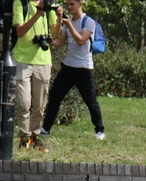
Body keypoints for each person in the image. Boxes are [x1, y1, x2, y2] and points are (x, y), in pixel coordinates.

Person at [40, 0, 105, 140]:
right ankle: (45, 128)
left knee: (91, 101)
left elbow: (81, 40)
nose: (69, 7)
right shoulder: (67, 22)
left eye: (72, 4)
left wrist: (69, 24)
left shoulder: (88, 22)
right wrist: (47, 40)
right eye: (67, 4)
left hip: (83, 68)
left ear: (80, 3)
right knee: (55, 97)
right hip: (68, 67)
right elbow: (59, 43)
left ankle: (100, 130)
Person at [13, 0, 62, 152]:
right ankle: (24, 136)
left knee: (40, 105)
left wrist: (59, 18)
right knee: (24, 102)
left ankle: (34, 136)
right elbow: (20, 32)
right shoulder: (20, 3)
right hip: (22, 60)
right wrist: (38, 13)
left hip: (43, 61)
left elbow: (54, 36)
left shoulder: (49, 6)